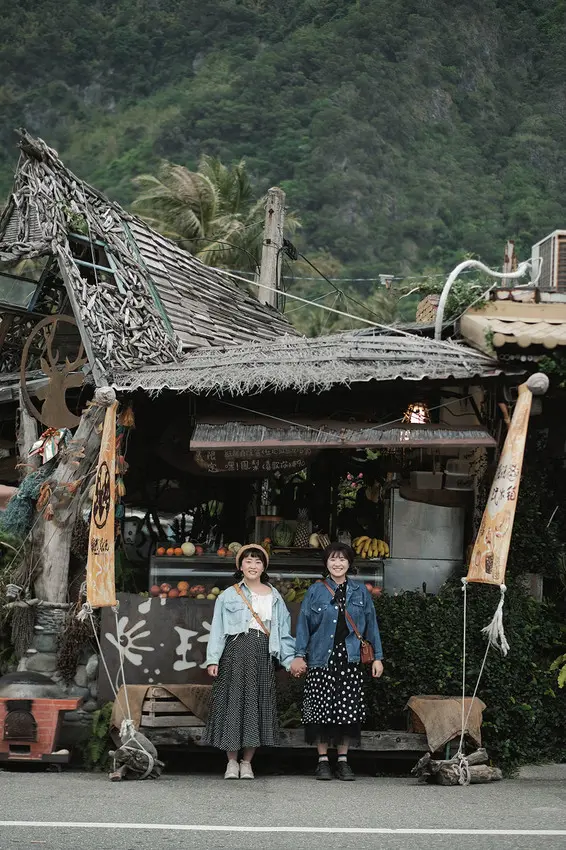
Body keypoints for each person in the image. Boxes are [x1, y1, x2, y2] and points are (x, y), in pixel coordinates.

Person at [290, 542, 384, 781]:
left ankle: (343, 761)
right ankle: (322, 761)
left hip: (350, 657)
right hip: (322, 657)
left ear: (349, 563)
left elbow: (371, 625)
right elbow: (304, 626)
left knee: (348, 709)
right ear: (326, 563)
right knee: (320, 708)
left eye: (342, 559)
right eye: (333, 559)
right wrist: (300, 654)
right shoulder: (315, 591)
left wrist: (378, 658)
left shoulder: (360, 591)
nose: (338, 563)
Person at [203, 544, 295, 779]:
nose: (253, 566)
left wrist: (290, 660)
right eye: (248, 561)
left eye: (257, 562)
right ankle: (231, 762)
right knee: (233, 704)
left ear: (264, 567)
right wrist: (213, 659)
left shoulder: (275, 597)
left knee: (257, 705)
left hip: (262, 653)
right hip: (234, 651)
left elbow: (283, 632)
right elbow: (218, 630)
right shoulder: (228, 595)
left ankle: (247, 762)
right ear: (240, 566)